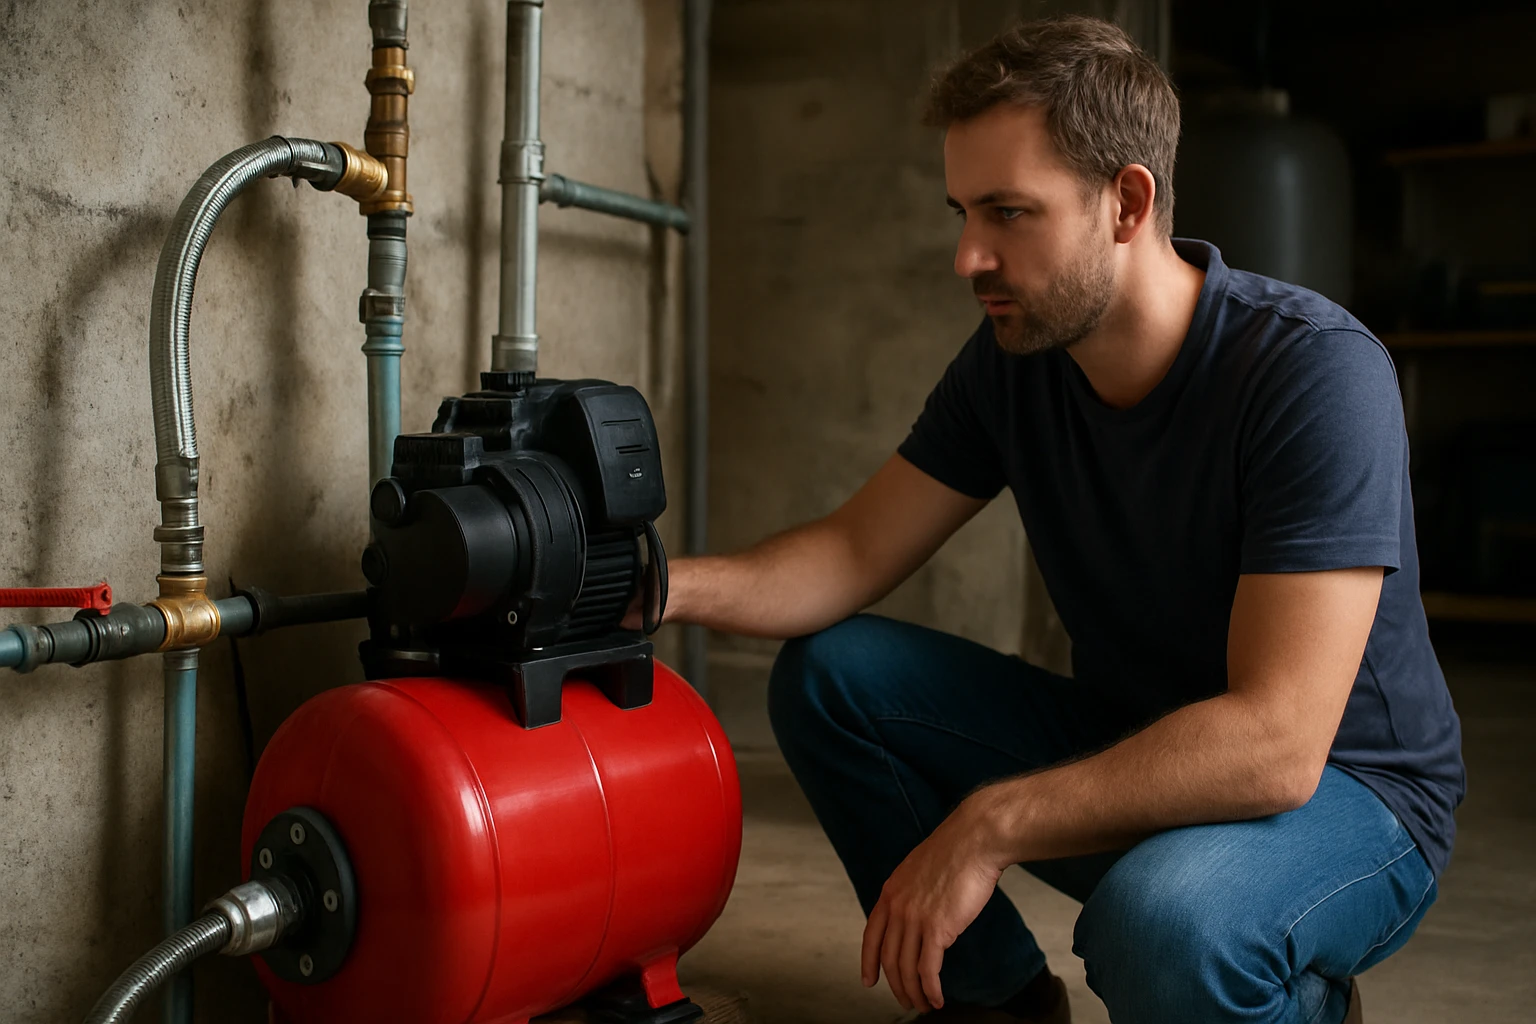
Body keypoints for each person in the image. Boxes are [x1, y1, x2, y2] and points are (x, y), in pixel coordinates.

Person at [629, 17, 1463, 1024]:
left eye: (1008, 213)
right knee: (833, 676)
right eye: (961, 212)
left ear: (1127, 201)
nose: (967, 255)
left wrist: (992, 822)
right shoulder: (1015, 364)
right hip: (1137, 737)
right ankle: (999, 1003)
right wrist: (652, 587)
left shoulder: (1312, 373)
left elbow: (1276, 742)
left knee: (1162, 924)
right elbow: (852, 551)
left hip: (1347, 793)